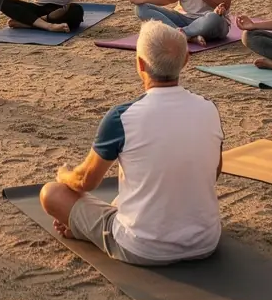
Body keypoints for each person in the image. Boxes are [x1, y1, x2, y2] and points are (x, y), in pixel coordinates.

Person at [39, 21, 223, 265]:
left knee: (51, 193)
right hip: (205, 241)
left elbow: (85, 182)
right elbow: (215, 171)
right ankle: (96, 226)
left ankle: (92, 232)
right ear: (186, 60)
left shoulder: (122, 117)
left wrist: (64, 174)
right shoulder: (209, 108)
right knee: (127, 196)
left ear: (140, 64)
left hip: (143, 247)